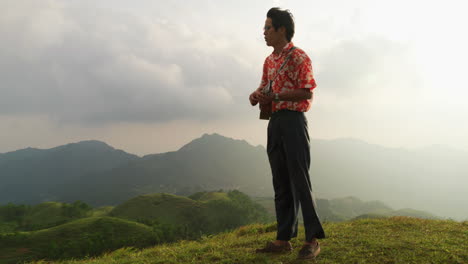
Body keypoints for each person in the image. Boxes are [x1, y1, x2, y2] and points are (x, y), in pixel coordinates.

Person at [249, 7, 325, 260]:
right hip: (275, 122)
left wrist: (277, 96)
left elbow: (307, 93)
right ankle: (283, 239)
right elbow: (264, 88)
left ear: (282, 29)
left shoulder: (299, 57)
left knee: (300, 179)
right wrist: (255, 95)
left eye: (268, 28)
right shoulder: (269, 61)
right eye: (264, 28)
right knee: (280, 181)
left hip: (294, 121)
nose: (264, 32)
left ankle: (312, 240)